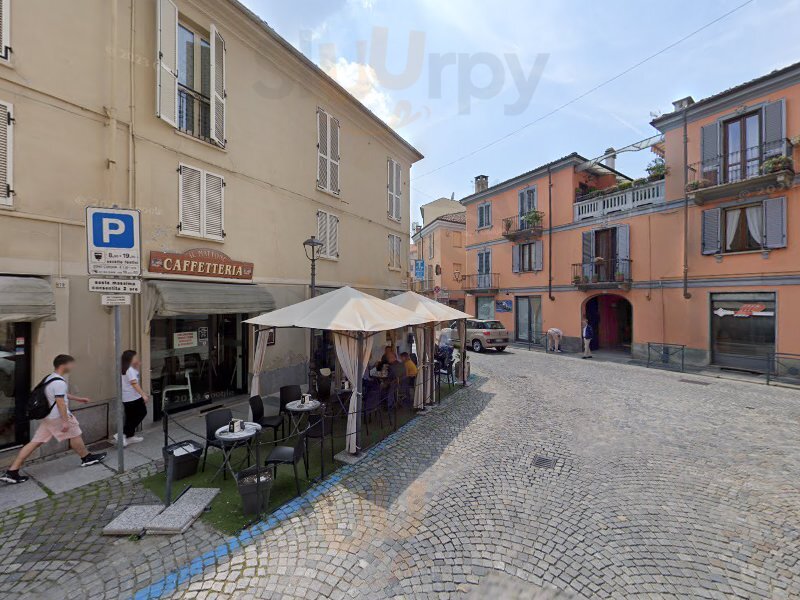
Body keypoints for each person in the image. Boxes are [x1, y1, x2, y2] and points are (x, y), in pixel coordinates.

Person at [1, 355, 106, 484]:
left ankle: (12, 471)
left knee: (35, 442)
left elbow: (59, 395)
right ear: (63, 365)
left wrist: (79, 399)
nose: (72, 367)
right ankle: (86, 457)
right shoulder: (60, 382)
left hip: (49, 418)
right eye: (71, 364)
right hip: (58, 417)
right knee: (75, 434)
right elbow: (60, 402)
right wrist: (65, 421)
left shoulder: (51, 378)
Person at [116, 349, 148, 447]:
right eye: (135, 357)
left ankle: (130, 436)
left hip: (128, 397)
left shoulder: (127, 368)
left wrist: (137, 366)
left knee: (130, 417)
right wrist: (143, 394)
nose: (137, 359)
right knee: (142, 413)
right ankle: (121, 434)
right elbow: (134, 383)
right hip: (133, 397)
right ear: (130, 358)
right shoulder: (129, 369)